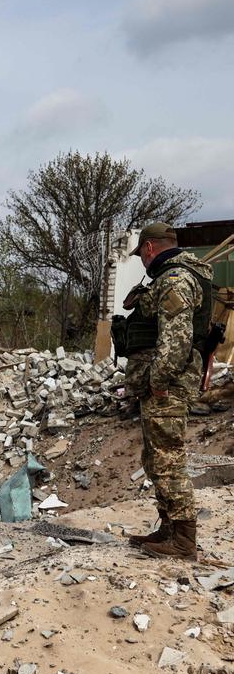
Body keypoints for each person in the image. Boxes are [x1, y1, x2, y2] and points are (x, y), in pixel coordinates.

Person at [124, 222, 213, 560]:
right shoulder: (180, 275)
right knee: (155, 457)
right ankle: (170, 528)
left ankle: (184, 541)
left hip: (168, 387)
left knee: (168, 460)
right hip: (166, 384)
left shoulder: (175, 280)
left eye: (141, 254)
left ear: (149, 248)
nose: (142, 262)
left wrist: (157, 382)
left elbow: (175, 342)